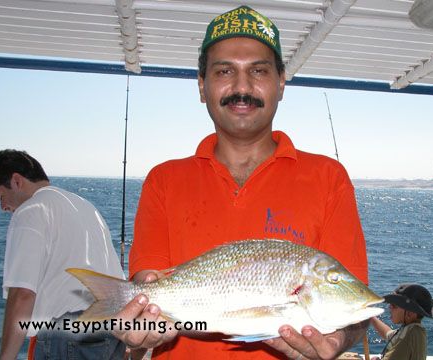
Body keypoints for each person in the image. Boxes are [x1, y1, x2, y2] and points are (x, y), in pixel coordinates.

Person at [119, 5, 370, 360]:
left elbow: (353, 307)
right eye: (224, 71)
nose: (242, 87)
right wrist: (141, 328)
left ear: (281, 83)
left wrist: (337, 342)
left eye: (259, 71)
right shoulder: (163, 180)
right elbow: (150, 290)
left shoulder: (329, 179)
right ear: (202, 86)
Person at [0, 149, 126, 360]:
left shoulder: (31, 210)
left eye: (0, 196)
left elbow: (22, 294)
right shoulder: (86, 207)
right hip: (113, 330)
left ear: (16, 181)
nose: (3, 207)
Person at [370, 284, 433, 360]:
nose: (389, 307)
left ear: (410, 313)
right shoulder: (411, 329)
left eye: (394, 305)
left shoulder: (411, 334)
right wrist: (370, 315)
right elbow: (387, 334)